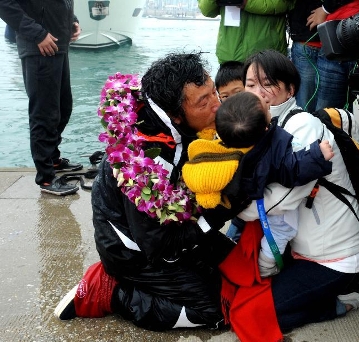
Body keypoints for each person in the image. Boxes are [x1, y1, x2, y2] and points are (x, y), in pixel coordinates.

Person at [53, 52, 251, 331]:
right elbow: (158, 245)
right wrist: (221, 213)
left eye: (214, 94)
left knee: (243, 267)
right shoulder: (144, 162)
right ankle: (111, 292)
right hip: (136, 252)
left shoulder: (179, 126)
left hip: (173, 226)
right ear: (175, 116)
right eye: (204, 101)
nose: (217, 106)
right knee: (213, 310)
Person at [221, 49, 359, 341]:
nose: (258, 92)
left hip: (333, 256)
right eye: (250, 84)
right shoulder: (264, 125)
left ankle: (349, 297)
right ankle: (342, 284)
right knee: (236, 293)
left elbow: (279, 202)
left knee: (249, 315)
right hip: (303, 247)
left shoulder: (303, 128)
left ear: (290, 88)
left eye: (267, 83)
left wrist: (228, 207)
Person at [183, 91, 334, 277]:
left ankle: (243, 246)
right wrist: (317, 155)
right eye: (265, 107)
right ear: (265, 128)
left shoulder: (229, 144)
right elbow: (291, 169)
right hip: (264, 202)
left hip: (244, 200)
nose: (265, 99)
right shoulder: (269, 150)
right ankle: (266, 266)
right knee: (283, 230)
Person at [0, 0, 83, 196]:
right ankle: (46, 178)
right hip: (39, 48)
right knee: (44, 114)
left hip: (58, 45)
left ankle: (53, 158)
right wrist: (37, 34)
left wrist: (73, 20)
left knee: (63, 108)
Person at [288, 0, 359, 111]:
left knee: (330, 115)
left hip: (338, 41)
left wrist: (325, 9)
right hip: (306, 39)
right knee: (305, 110)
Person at [197, 0, 294, 65]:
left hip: (266, 56)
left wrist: (247, 2)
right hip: (229, 55)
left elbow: (285, 3)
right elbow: (207, 10)